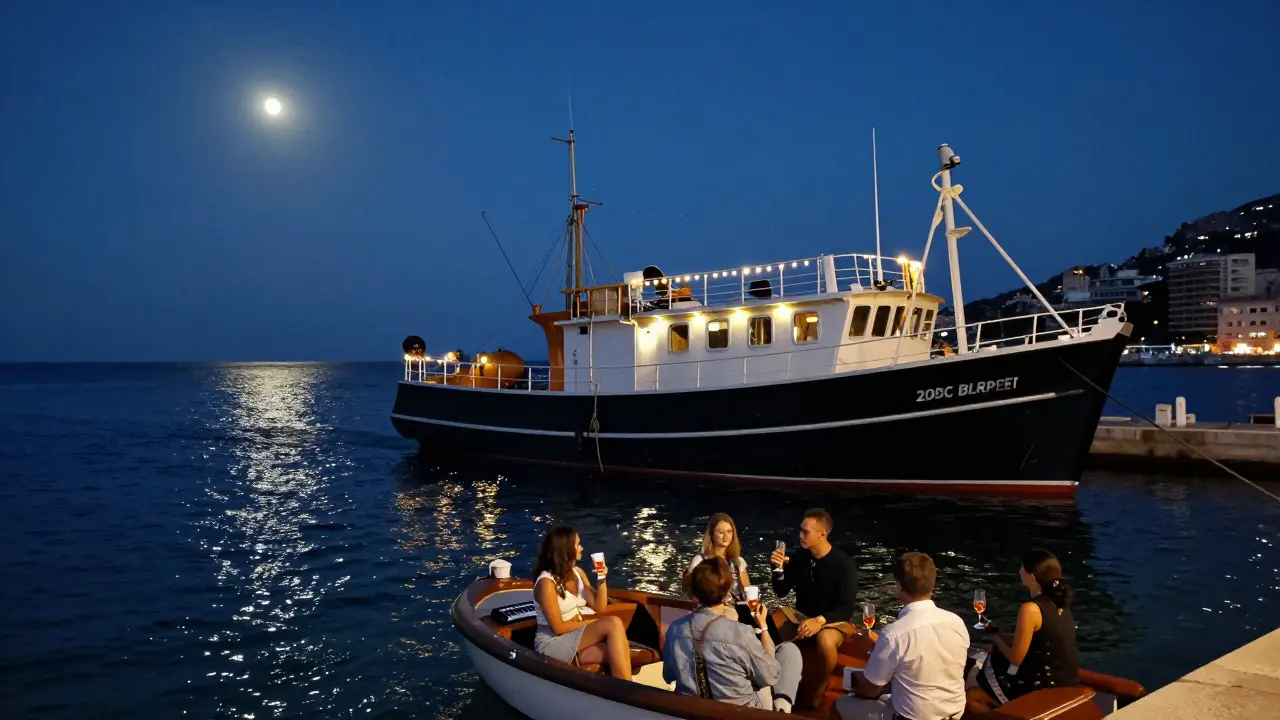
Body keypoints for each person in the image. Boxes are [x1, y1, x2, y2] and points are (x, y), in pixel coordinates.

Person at [838, 552, 969, 720]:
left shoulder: (894, 634)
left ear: (899, 587)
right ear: (932, 584)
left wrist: (857, 685)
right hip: (955, 714)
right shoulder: (956, 622)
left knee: (840, 704)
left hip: (910, 718)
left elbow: (870, 691)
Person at [663, 556, 802, 713]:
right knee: (786, 653)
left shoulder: (675, 629)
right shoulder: (740, 632)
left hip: (692, 711)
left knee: (782, 652)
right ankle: (782, 711)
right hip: (739, 713)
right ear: (727, 594)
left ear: (695, 595)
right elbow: (770, 675)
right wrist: (763, 628)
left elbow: (668, 675)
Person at [769, 508, 860, 708]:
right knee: (772, 623)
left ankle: (821, 686)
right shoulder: (800, 557)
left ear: (822, 534)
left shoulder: (844, 564)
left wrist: (819, 621)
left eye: (805, 532)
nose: (800, 535)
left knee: (825, 640)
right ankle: (772, 678)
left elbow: (846, 608)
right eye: (800, 530)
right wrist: (777, 568)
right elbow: (781, 591)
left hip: (833, 620)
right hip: (803, 616)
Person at [968, 549, 1079, 712]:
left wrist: (995, 639)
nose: (1019, 570)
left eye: (1022, 567)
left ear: (1032, 577)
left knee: (971, 697)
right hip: (1066, 684)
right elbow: (1038, 641)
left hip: (1045, 689)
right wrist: (998, 634)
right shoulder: (1060, 605)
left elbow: (1016, 658)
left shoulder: (1031, 609)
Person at [531, 525, 632, 680]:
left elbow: (599, 607)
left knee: (615, 652)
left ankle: (624, 687)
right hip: (552, 642)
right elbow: (558, 628)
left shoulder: (577, 573)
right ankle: (626, 689)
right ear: (565, 549)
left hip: (574, 634)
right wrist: (592, 623)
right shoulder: (546, 583)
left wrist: (602, 579)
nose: (581, 548)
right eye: (577, 544)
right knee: (612, 623)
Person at [685, 513, 752, 619]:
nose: (725, 536)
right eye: (721, 532)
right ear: (712, 534)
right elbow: (690, 593)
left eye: (729, 531)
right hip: (709, 613)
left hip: (736, 612)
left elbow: (747, 592)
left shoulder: (738, 562)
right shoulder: (700, 561)